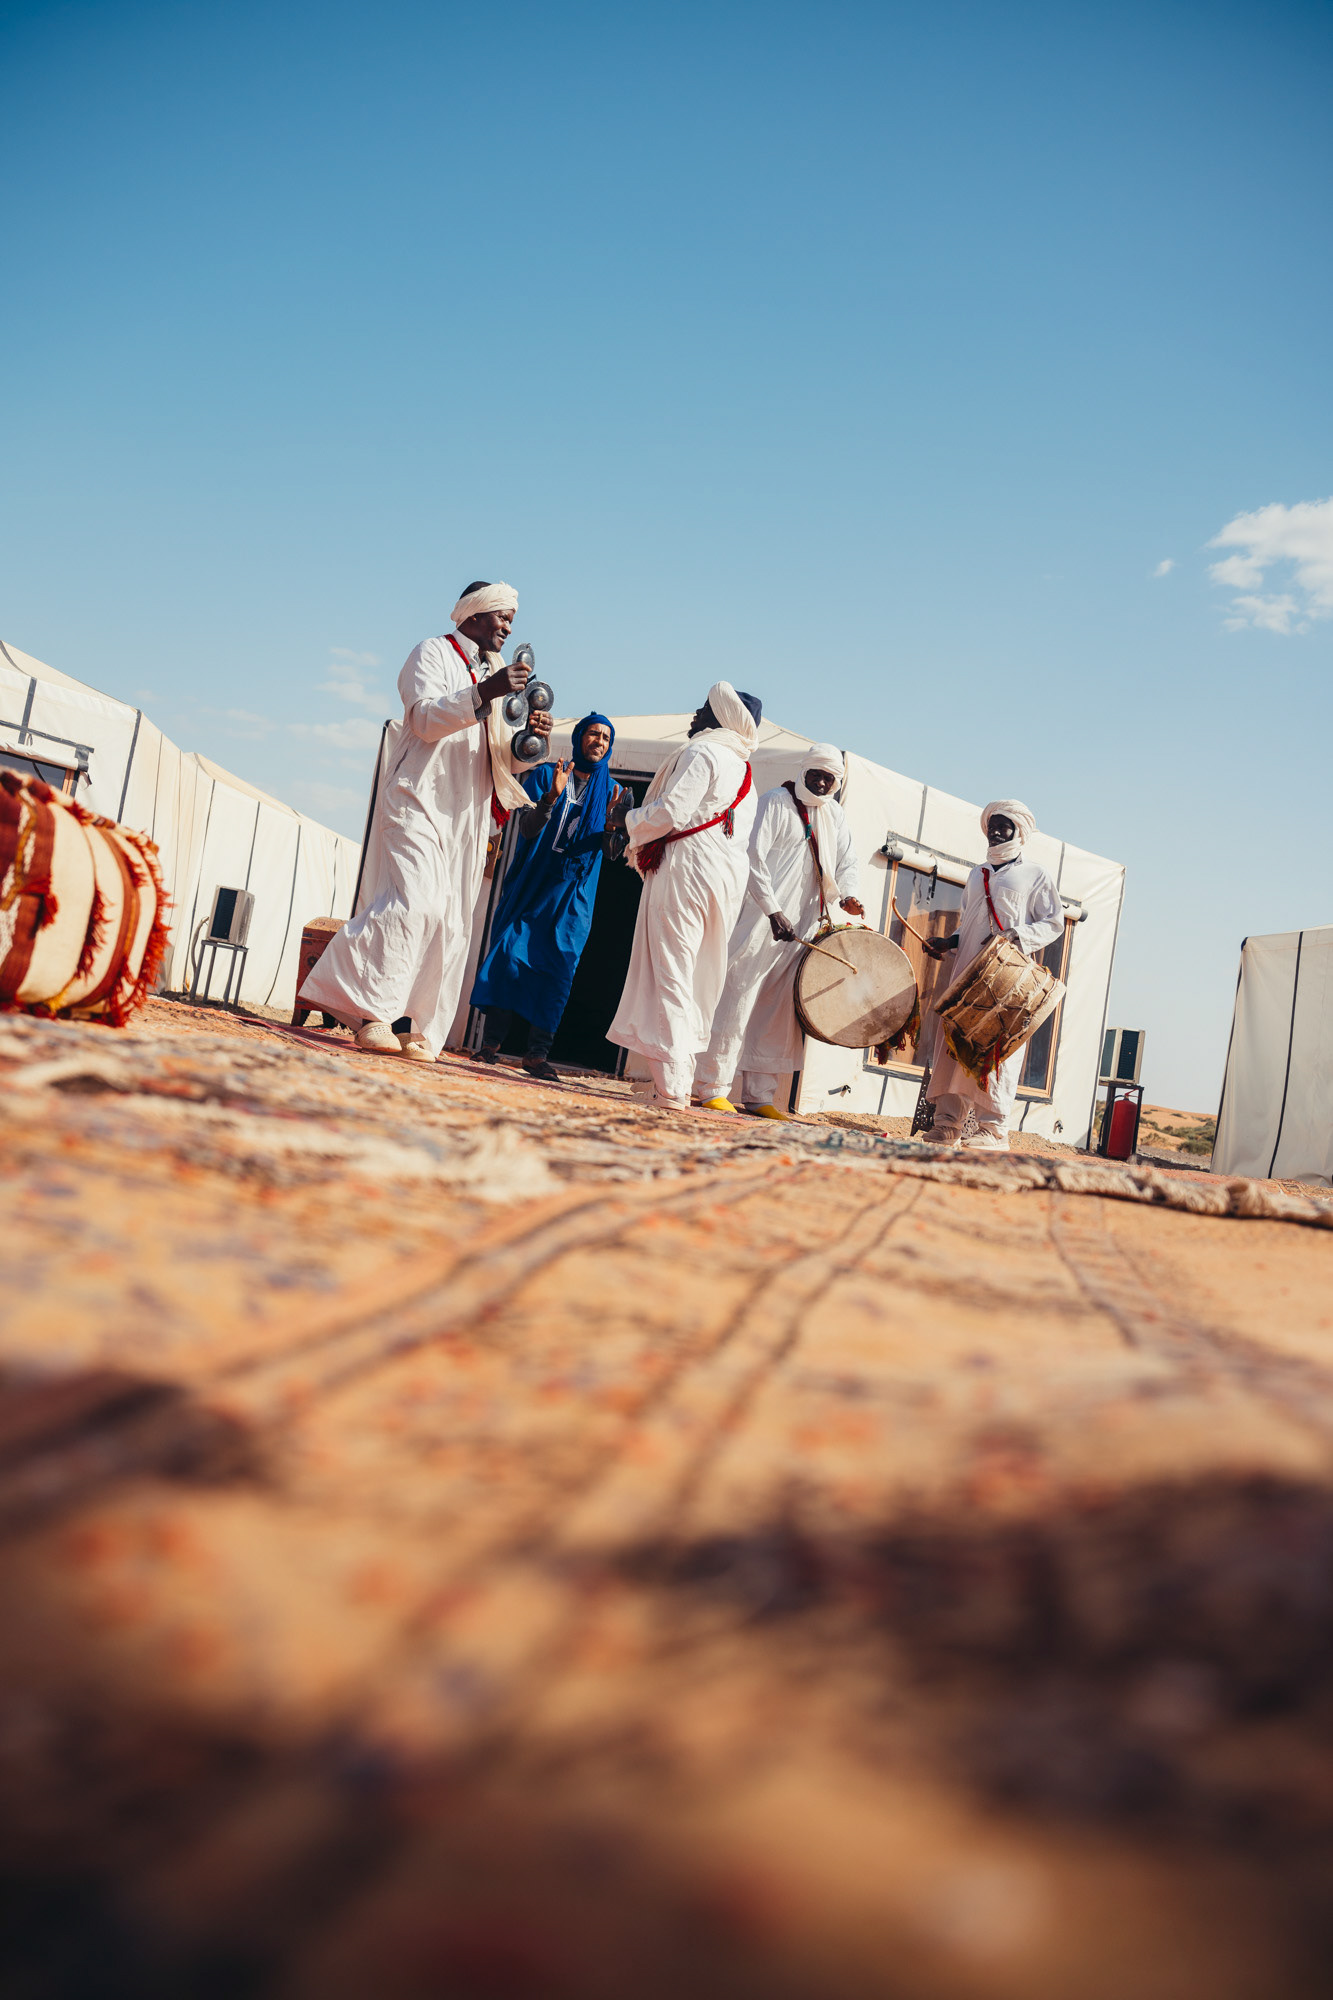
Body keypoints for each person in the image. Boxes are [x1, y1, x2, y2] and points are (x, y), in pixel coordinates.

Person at [298, 581, 551, 1060]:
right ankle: (370, 1014)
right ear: (474, 614)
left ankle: (421, 1029)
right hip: (418, 795)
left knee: (452, 922)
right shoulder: (431, 653)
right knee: (415, 903)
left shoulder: (495, 670)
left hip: (468, 811)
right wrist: (486, 692)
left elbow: (501, 755)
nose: (509, 626)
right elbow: (424, 720)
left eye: (511, 618)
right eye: (502, 616)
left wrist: (530, 746)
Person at [607, 682, 761, 1110]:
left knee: (672, 971)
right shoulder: (745, 769)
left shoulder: (703, 753)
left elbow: (672, 812)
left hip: (687, 872)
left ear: (721, 717)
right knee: (695, 980)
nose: (695, 714)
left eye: (704, 708)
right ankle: (676, 1080)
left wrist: (627, 818)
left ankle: (672, 1088)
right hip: (723, 881)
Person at [693, 743, 863, 1119]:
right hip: (761, 920)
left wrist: (849, 896)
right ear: (804, 772)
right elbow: (752, 857)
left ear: (836, 783)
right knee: (737, 998)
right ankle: (712, 1086)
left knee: (775, 1011)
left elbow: (848, 861)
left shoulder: (834, 815)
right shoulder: (775, 802)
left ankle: (760, 1096)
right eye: (815, 774)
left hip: (802, 926)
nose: (820, 782)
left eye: (828, 778)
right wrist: (772, 909)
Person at [469, 713, 622, 1080]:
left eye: (604, 737)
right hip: (534, 884)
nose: (598, 741)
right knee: (508, 955)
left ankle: (536, 1055)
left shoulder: (613, 791)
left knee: (559, 969)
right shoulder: (545, 774)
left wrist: (615, 826)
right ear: (579, 738)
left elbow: (613, 853)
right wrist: (551, 796)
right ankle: (489, 1046)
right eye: (592, 734)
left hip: (572, 896)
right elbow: (527, 829)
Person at [920, 799, 1063, 1149]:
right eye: (992, 825)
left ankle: (993, 1131)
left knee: (995, 1051)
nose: (996, 831)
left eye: (1004, 826)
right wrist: (948, 942)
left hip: (1004, 978)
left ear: (1020, 832)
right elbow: (968, 921)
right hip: (966, 972)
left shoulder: (1036, 874)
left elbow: (1054, 922)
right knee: (955, 1045)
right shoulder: (976, 873)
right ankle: (948, 1126)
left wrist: (1018, 935)